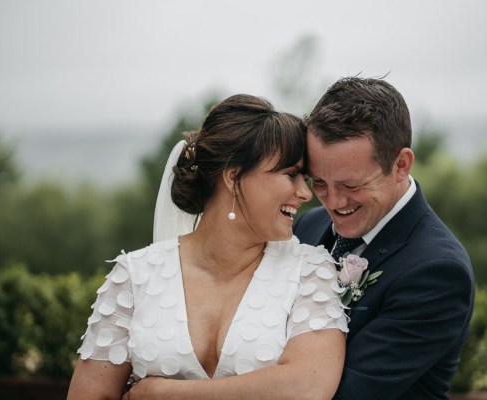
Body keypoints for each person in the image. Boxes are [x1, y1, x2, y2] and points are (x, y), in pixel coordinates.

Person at [67, 94, 348, 400]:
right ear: (234, 177)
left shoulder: (310, 271)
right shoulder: (135, 276)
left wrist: (163, 393)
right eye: (291, 174)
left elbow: (308, 387)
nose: (305, 193)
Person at [293, 76, 475, 399]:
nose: (333, 202)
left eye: (351, 186)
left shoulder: (437, 272)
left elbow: (348, 393)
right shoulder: (307, 225)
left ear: (401, 165)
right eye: (319, 182)